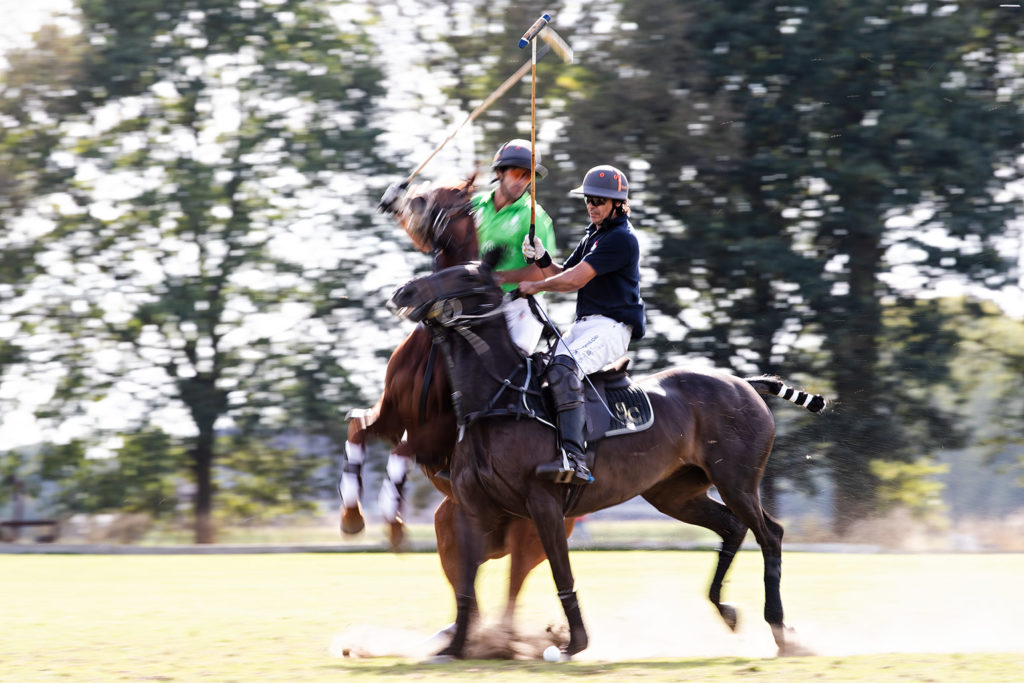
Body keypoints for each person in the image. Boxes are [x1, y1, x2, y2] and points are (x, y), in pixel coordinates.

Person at [516, 165, 645, 485]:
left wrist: (536, 286)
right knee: (540, 370)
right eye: (589, 199)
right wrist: (542, 259)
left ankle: (576, 459)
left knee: (562, 370)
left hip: (612, 327)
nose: (592, 205)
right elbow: (563, 271)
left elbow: (573, 281)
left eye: (600, 200)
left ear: (618, 204)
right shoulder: (595, 235)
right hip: (586, 324)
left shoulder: (621, 239)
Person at [379, 139, 555, 355]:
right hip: (472, 300)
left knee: (511, 365)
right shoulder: (474, 206)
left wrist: (497, 277)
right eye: (517, 173)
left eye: (527, 176)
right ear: (499, 172)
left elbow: (544, 273)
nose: (522, 181)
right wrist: (400, 211)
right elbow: (428, 245)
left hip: (519, 305)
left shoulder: (535, 218)